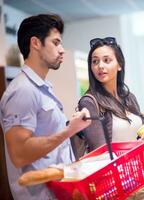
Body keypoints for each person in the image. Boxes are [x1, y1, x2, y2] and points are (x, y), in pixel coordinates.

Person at [0, 14, 91, 200]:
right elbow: (19, 153)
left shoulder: (41, 87)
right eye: (55, 43)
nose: (62, 50)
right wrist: (68, 131)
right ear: (36, 43)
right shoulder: (23, 91)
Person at [74, 37, 144, 199]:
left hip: (139, 183)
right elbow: (100, 154)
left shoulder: (129, 98)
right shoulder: (89, 102)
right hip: (111, 189)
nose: (100, 66)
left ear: (119, 65)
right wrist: (142, 144)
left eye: (107, 60)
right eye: (95, 62)